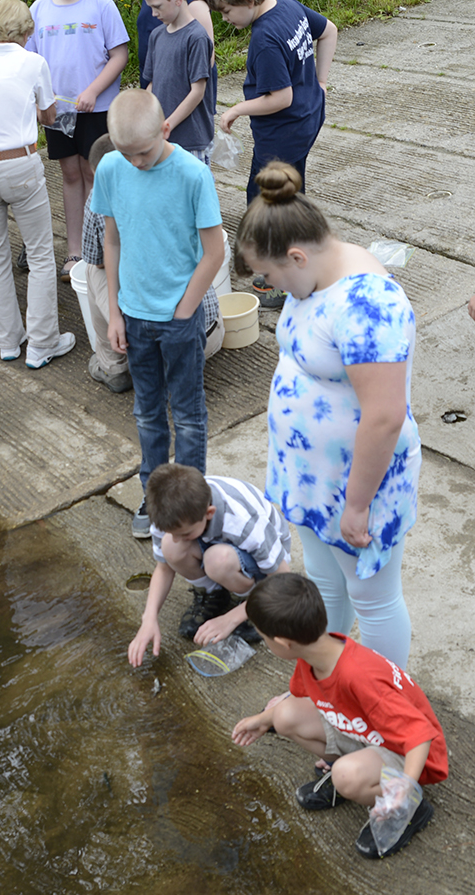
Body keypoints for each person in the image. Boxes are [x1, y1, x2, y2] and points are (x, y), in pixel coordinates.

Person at [235, 161, 420, 669]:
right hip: (315, 479)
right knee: (323, 586)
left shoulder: (366, 304)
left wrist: (357, 505)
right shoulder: (319, 272)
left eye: (268, 276)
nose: (266, 285)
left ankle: (386, 712)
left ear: (296, 255)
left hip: (355, 486)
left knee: (374, 601)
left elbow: (384, 416)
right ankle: (332, 680)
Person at [232, 574, 446, 860]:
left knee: (346, 776)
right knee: (283, 715)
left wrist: (405, 787)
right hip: (368, 732)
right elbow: (297, 698)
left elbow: (420, 735)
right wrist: (264, 719)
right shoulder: (315, 655)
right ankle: (354, 768)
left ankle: (411, 809)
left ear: (283, 642)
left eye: (262, 635)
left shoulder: (359, 676)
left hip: (411, 753)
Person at [90, 89, 224, 536]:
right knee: (146, 412)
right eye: (127, 155)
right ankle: (153, 498)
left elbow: (214, 253)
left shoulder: (191, 174)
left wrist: (184, 312)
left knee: (187, 415)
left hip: (178, 320)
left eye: (144, 152)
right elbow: (111, 241)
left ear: (166, 129)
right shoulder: (111, 167)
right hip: (133, 315)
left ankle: (190, 505)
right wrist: (114, 312)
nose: (136, 163)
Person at [206, 0, 338, 307]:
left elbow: (280, 98)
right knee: (293, 192)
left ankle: (276, 281)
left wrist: (236, 109)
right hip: (309, 117)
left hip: (284, 131)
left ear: (249, 0)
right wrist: (320, 84)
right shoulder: (289, 5)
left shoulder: (264, 39)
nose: (225, 19)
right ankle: (305, 253)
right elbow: (330, 31)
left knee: (265, 202)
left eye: (228, 11)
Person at [0, 0, 75, 369]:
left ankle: (8, 340)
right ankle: (42, 343)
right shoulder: (33, 62)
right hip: (17, 165)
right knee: (39, 255)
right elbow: (49, 114)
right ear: (24, 31)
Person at [83, 134, 224, 395]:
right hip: (208, 331)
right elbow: (213, 251)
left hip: (167, 336)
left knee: (92, 267)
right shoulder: (183, 179)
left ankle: (113, 366)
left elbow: (97, 259)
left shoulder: (99, 196)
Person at [26, 0, 129, 280]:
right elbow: (30, 61)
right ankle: (74, 251)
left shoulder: (100, 4)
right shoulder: (39, 8)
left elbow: (119, 55)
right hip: (57, 110)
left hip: (97, 107)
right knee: (70, 175)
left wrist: (93, 90)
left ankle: (99, 247)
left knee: (93, 173)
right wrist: (41, 101)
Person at [128, 463, 291, 665]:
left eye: (185, 534)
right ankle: (214, 594)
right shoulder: (168, 513)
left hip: (266, 560)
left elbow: (284, 579)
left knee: (218, 561)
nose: (179, 539)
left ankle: (250, 602)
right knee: (170, 547)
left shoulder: (243, 521)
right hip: (216, 543)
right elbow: (163, 568)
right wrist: (149, 618)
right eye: (174, 532)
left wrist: (230, 619)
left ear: (210, 513)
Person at [140, 0, 215, 164]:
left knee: (193, 193)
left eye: (157, 7)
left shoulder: (196, 37)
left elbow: (197, 91)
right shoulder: (157, 35)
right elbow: (152, 83)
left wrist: (168, 124)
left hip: (191, 140)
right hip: (164, 136)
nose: (154, 14)